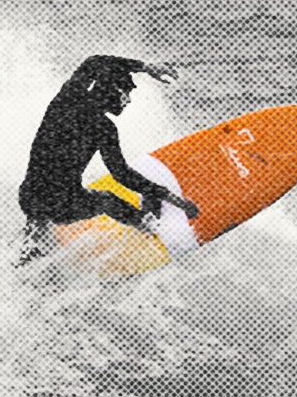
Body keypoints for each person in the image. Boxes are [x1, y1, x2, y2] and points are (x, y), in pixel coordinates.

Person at [17, 55, 202, 252]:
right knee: (106, 200)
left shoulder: (66, 100)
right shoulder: (104, 128)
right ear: (113, 91)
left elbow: (92, 62)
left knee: (42, 205)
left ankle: (30, 248)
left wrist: (145, 67)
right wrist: (172, 198)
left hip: (29, 196)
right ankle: (153, 230)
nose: (128, 101)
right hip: (63, 204)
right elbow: (122, 174)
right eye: (126, 94)